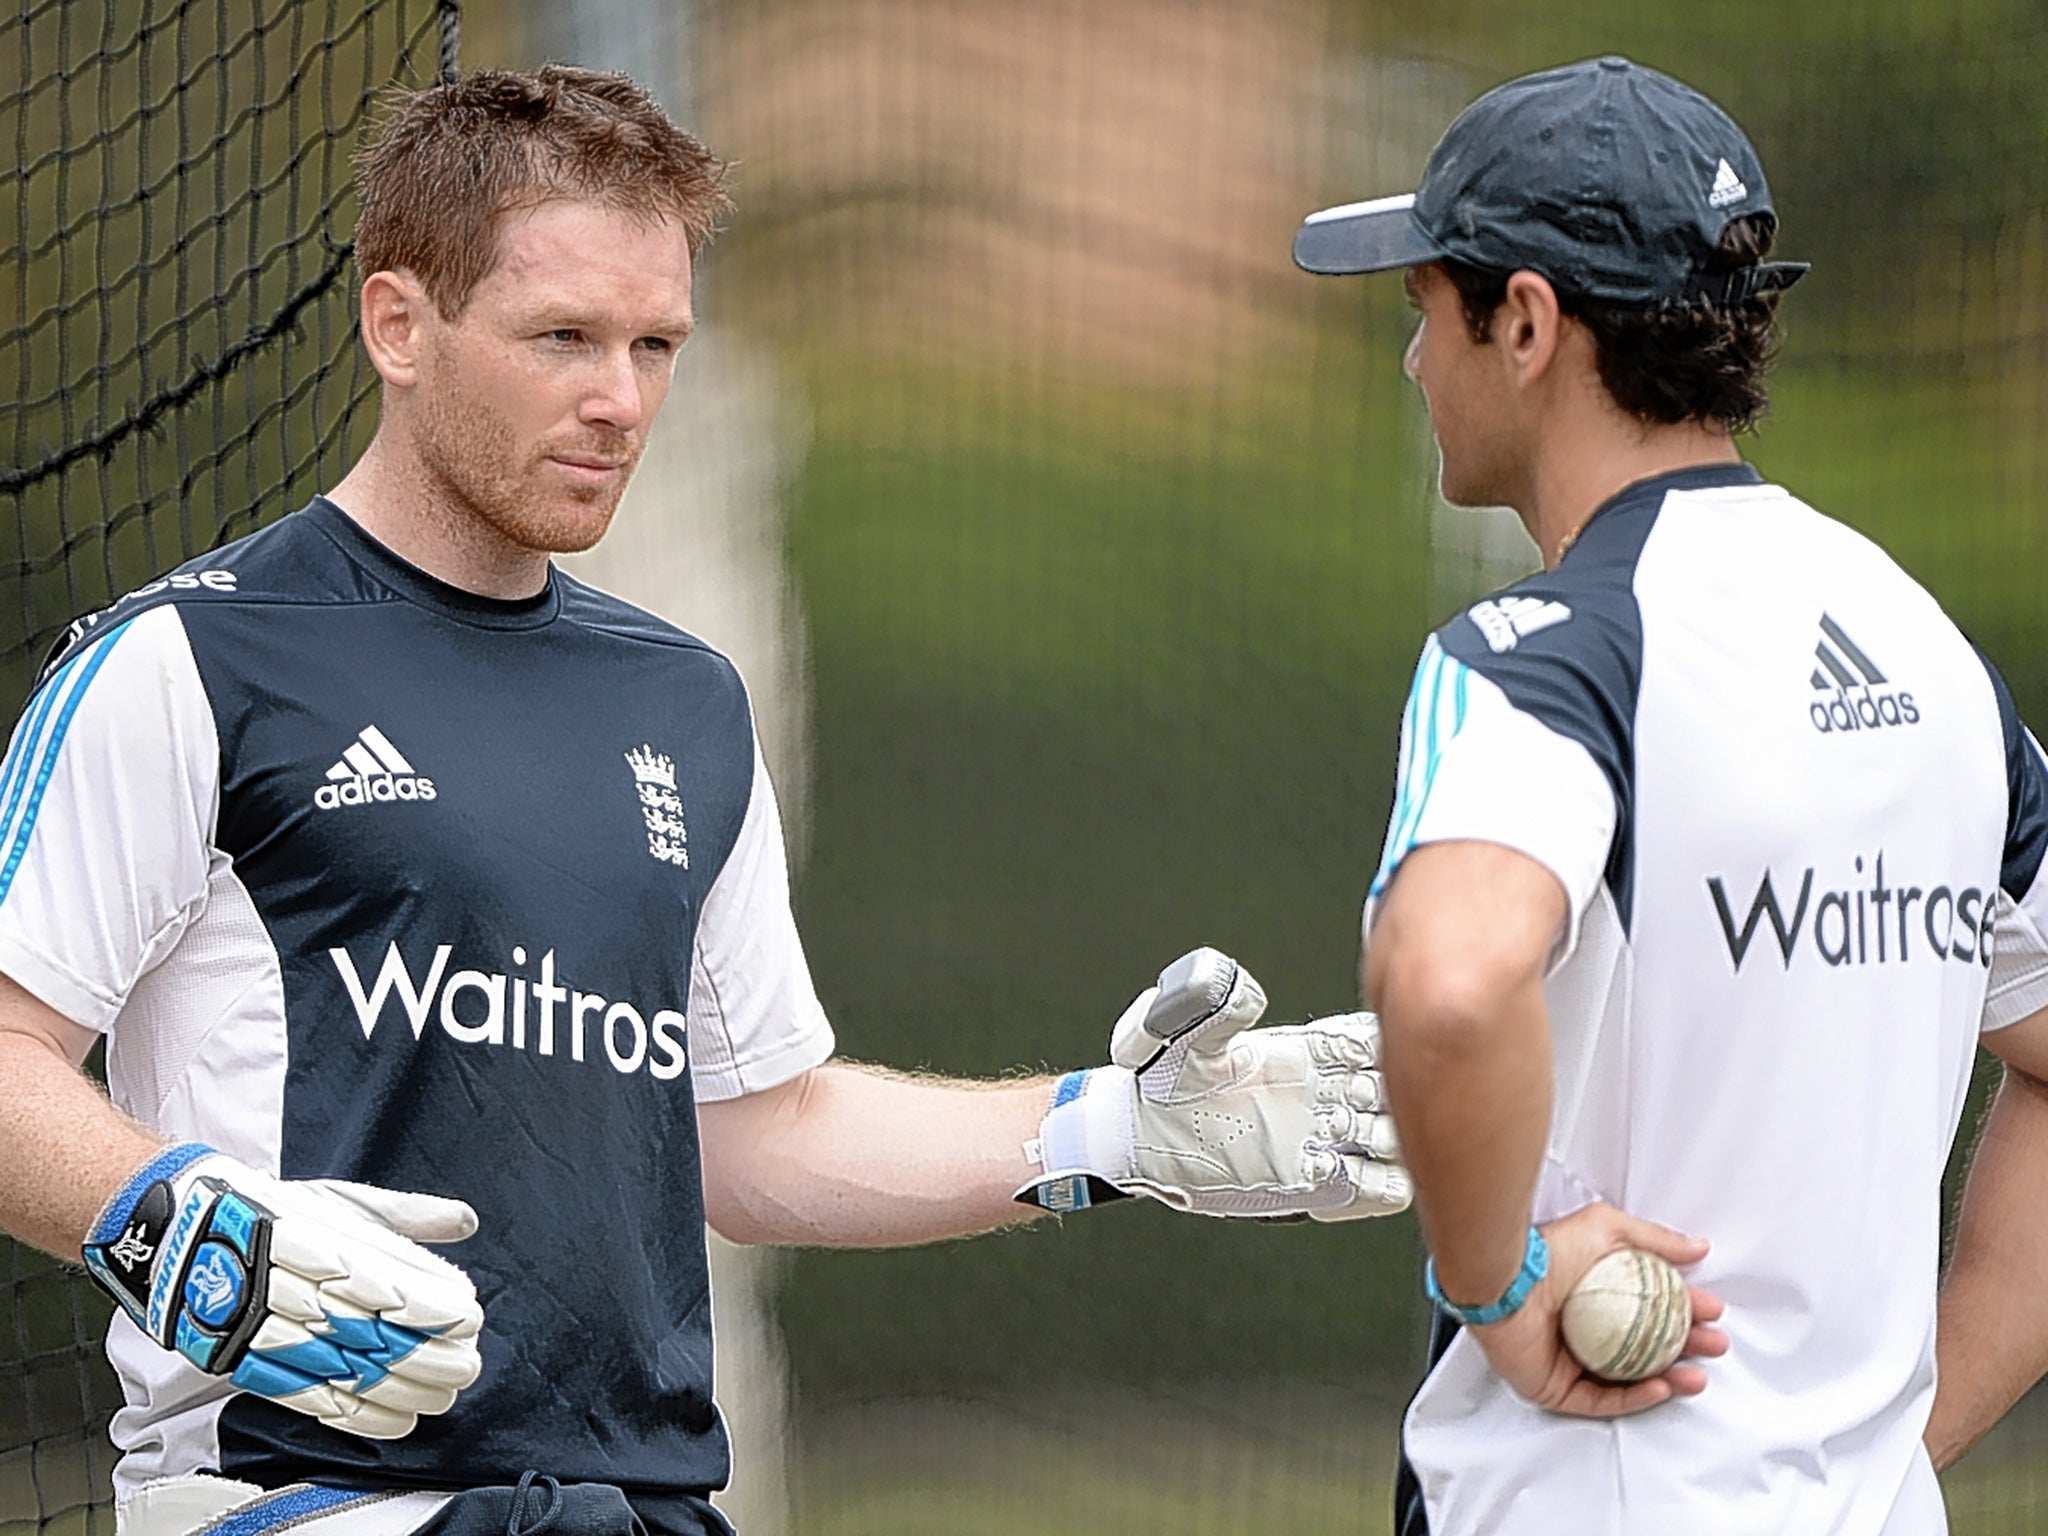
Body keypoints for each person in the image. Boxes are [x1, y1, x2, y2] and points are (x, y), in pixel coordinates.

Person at [0, 66, 1413, 1536]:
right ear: (397, 324)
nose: (620, 400)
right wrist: (182, 1228)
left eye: (655, 344)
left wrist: (1116, 1132)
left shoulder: (684, 700)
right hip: (308, 1506)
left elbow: (756, 1134)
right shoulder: (190, 660)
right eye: (563, 338)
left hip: (649, 1508)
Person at [1292, 55, 2048, 1536]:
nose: (1409, 363)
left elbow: (1447, 984)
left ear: (1524, 324)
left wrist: (1498, 1281)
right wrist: (1901, 1439)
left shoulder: (1536, 658)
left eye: (1421, 313)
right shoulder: (1934, 654)